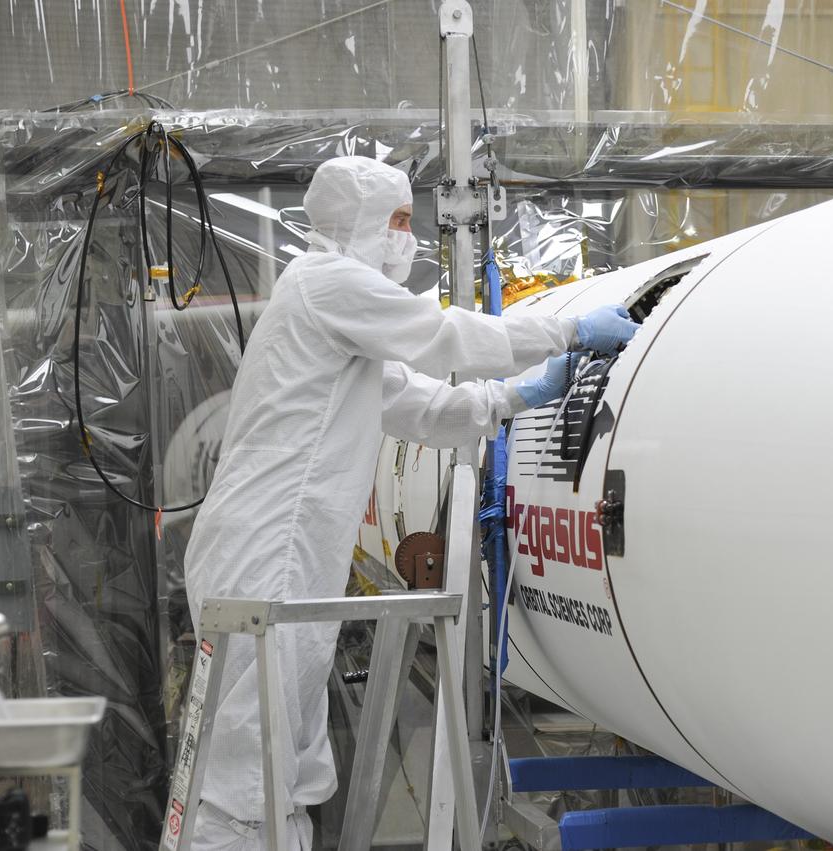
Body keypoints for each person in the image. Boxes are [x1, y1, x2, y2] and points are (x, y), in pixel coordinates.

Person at [184, 155, 638, 850]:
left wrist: (515, 399)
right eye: (397, 222)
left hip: (283, 553)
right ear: (357, 220)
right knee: (250, 770)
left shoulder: (336, 316)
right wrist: (566, 331)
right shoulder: (328, 285)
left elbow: (417, 406)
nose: (406, 237)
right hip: (267, 555)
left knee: (287, 759)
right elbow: (443, 335)